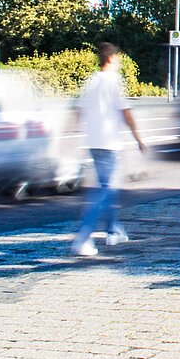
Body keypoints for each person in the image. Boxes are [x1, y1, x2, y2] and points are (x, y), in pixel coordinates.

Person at [71, 42, 146, 256]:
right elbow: (126, 113)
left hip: (94, 142)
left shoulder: (91, 80)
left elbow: (78, 110)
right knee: (105, 191)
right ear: (111, 58)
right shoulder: (113, 81)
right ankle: (83, 238)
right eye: (118, 58)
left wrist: (77, 133)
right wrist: (139, 139)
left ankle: (114, 231)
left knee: (107, 187)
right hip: (109, 143)